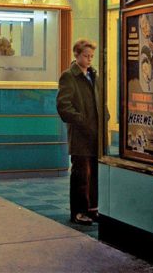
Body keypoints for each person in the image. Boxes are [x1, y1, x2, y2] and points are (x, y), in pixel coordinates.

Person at [56, 38, 100, 225]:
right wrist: (81, 120)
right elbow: (63, 106)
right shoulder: (69, 76)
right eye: (86, 56)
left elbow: (100, 100)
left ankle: (92, 209)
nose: (89, 59)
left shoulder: (93, 75)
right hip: (81, 133)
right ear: (76, 55)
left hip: (96, 132)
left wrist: (103, 118)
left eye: (91, 56)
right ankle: (79, 212)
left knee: (95, 173)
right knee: (81, 174)